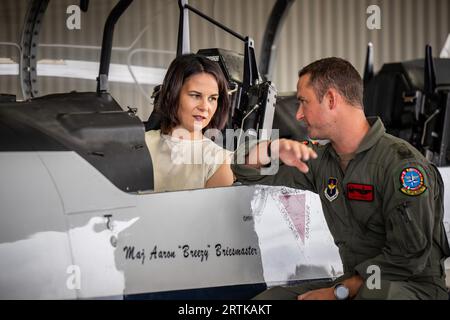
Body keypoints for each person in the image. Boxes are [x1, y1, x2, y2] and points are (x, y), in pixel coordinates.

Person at [231, 57, 450, 300]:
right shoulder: (320, 160)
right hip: (355, 284)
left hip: (413, 287)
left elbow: (409, 255)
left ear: (332, 99)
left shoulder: (402, 165)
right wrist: (273, 147)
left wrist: (338, 293)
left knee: (375, 294)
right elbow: (246, 171)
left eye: (303, 102)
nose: (299, 114)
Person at [146, 54, 233, 192]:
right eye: (195, 95)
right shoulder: (140, 144)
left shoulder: (219, 161)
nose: (205, 107)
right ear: (172, 94)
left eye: (212, 98)